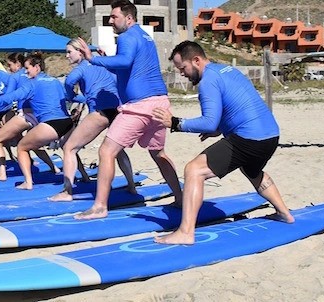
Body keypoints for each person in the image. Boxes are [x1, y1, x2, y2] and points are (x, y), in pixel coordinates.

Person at [152, 41, 295, 245]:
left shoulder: (208, 81)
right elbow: (234, 106)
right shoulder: (226, 70)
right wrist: (219, 130)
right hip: (271, 136)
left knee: (194, 170)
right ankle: (285, 214)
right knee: (252, 170)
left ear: (196, 60)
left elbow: (209, 122)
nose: (181, 73)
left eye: (182, 68)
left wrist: (174, 122)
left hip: (248, 138)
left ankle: (185, 232)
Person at [74, 0, 182, 219]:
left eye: (114, 17)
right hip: (160, 102)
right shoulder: (144, 36)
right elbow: (130, 69)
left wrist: (92, 59)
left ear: (129, 18)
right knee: (158, 153)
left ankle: (100, 207)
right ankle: (181, 198)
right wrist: (108, 61)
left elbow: (124, 62)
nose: (110, 20)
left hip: (140, 106)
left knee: (106, 151)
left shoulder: (126, 37)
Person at [49, 39, 137, 201]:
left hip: (100, 112)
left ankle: (67, 192)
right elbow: (117, 81)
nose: (67, 56)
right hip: (117, 110)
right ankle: (131, 186)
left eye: (69, 52)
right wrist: (83, 99)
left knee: (69, 147)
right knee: (117, 150)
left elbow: (69, 82)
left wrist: (70, 96)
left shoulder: (81, 68)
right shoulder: (102, 63)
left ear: (80, 52)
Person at [0, 52, 73, 190]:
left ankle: (27, 182)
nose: (26, 71)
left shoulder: (31, 84)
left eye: (27, 68)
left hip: (48, 123)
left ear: (37, 67)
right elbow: (70, 97)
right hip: (67, 122)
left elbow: (9, 97)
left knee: (21, 146)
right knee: (69, 150)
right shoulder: (55, 81)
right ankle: (82, 178)